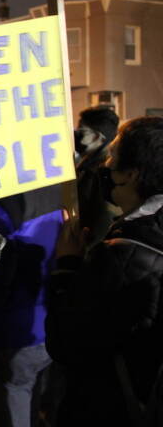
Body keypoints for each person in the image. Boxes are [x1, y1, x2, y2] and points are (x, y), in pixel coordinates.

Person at [46, 116, 163, 427]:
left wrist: (68, 267)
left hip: (109, 408)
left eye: (113, 156)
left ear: (132, 174)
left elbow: (66, 342)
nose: (106, 164)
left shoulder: (120, 253)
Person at [0, 187, 63, 427]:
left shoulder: (0, 200)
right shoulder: (56, 182)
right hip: (43, 327)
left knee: (8, 413)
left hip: (6, 338)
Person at [74, 106, 121, 248]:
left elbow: (105, 218)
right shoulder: (88, 164)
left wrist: (89, 254)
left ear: (96, 137)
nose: (75, 135)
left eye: (81, 131)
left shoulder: (105, 171)